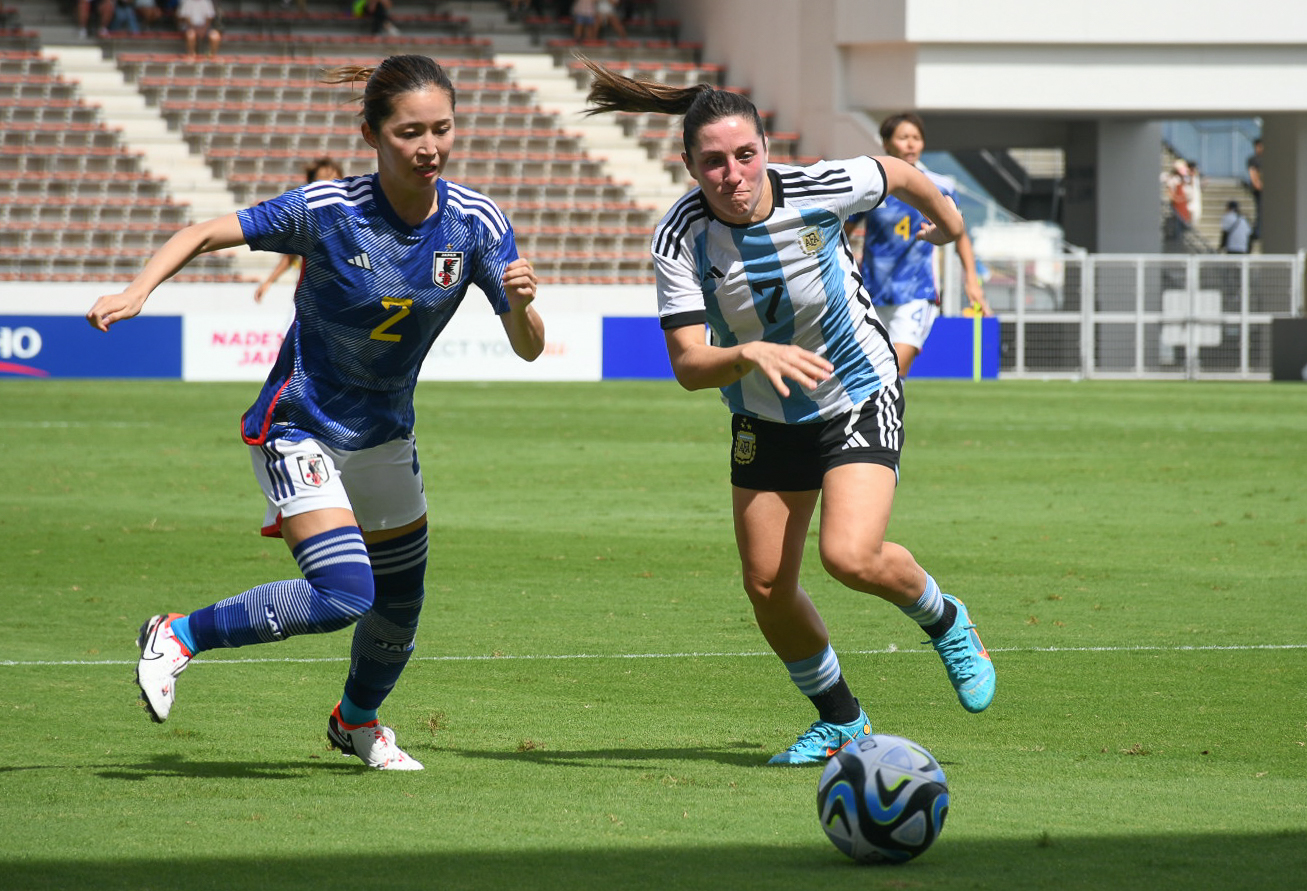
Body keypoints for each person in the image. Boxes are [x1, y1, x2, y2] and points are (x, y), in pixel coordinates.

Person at [86, 55, 546, 770]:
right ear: (371, 133)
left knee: (399, 605)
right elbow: (205, 232)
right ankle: (178, 633)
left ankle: (355, 723)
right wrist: (138, 288)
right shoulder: (327, 210)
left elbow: (527, 349)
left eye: (442, 129)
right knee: (344, 592)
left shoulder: (476, 224)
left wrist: (521, 303)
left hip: (386, 435)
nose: (429, 146)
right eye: (409, 132)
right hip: (299, 422)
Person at [581, 60, 995, 766]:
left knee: (849, 555)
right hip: (764, 415)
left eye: (745, 155)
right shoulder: (677, 238)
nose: (732, 174)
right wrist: (747, 355)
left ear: (766, 150)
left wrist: (949, 222)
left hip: (856, 390)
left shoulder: (823, 185)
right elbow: (686, 362)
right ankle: (840, 718)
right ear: (688, 165)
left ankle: (944, 618)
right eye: (712, 162)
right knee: (767, 585)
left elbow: (898, 173)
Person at [844, 112, 991, 378]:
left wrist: (972, 279)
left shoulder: (940, 186)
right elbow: (842, 232)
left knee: (893, 371)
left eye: (916, 138)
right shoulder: (871, 187)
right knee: (871, 376)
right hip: (872, 293)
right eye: (903, 138)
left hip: (917, 291)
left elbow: (960, 235)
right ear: (886, 143)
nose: (911, 144)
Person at [253, 157, 346, 303]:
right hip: (313, 300)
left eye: (334, 180)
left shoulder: (355, 217)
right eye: (322, 183)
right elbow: (289, 258)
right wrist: (269, 281)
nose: (329, 187)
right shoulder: (307, 219)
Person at [1246, 137, 1263, 243]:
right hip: (1259, 189)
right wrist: (1257, 184)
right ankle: (1258, 232)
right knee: (1260, 209)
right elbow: (1252, 172)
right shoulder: (1253, 159)